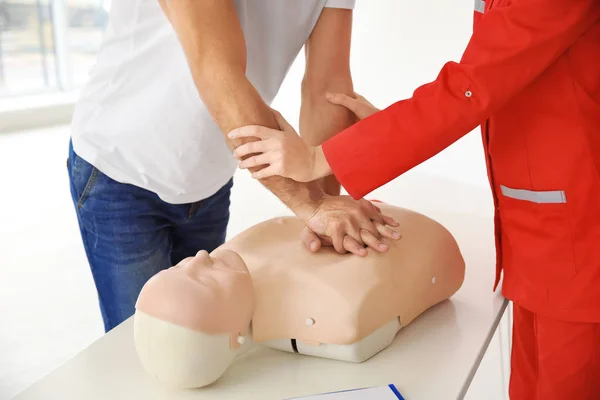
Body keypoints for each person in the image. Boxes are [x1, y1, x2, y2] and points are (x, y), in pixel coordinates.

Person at [229, 1, 600, 398]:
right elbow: (515, 85)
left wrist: (321, 158)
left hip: (578, 241)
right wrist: (386, 133)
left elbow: (469, 90)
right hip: (543, 239)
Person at [67, 0, 400, 333]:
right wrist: (312, 205)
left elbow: (326, 88)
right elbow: (217, 68)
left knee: (202, 331)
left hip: (209, 177)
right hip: (120, 167)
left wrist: (328, 214)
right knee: (145, 342)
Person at [134, 201, 465, 388]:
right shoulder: (338, 307)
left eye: (178, 267)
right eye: (206, 279)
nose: (203, 256)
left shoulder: (236, 258)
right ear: (234, 338)